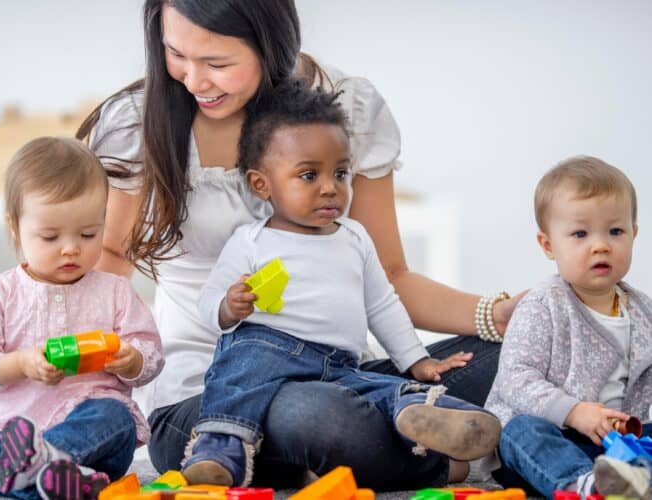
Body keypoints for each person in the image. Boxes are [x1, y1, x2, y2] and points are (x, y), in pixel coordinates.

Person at [78, 0, 521, 490]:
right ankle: (433, 450)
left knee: (512, 353)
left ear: (271, 43)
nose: (194, 80)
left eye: (218, 63)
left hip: (341, 370)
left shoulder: (340, 110)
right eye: (175, 53)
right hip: (207, 395)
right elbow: (111, 259)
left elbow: (389, 280)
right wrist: (99, 371)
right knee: (310, 413)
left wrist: (497, 316)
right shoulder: (139, 123)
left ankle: (398, 415)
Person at [181, 80, 502, 487]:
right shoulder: (252, 240)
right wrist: (230, 306)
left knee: (374, 387)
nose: (331, 187)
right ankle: (220, 450)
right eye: (309, 175)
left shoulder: (354, 238)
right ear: (263, 184)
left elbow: (383, 306)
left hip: (340, 364)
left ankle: (428, 410)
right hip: (268, 352)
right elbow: (209, 302)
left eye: (341, 172)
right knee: (238, 369)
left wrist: (417, 361)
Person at [0, 137, 164, 500]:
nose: (71, 247)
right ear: (15, 227)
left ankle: (42, 467)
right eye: (50, 236)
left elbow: (151, 355)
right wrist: (20, 363)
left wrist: (132, 360)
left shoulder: (114, 292)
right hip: (11, 430)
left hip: (92, 434)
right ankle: (61, 482)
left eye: (88, 234)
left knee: (115, 419)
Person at [484, 156, 652, 499]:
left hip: (615, 444)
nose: (601, 244)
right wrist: (574, 412)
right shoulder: (543, 305)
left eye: (615, 231)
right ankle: (583, 486)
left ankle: (628, 480)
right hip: (551, 439)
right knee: (519, 430)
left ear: (633, 235)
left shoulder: (643, 310)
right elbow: (515, 377)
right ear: (548, 245)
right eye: (580, 233)